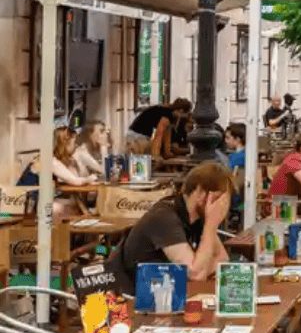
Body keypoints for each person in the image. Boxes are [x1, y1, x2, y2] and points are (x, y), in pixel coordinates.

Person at [112, 161, 232, 296]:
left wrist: (201, 268)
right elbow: (196, 274)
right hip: (133, 300)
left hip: (164, 294)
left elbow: (222, 260)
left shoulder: (196, 217)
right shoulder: (164, 217)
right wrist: (211, 225)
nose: (222, 207)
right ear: (199, 193)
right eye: (218, 199)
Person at [18, 127, 98, 218]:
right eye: (74, 142)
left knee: (68, 205)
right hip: (27, 206)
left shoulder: (45, 157)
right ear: (65, 142)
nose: (76, 146)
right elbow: (75, 181)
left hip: (25, 202)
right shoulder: (50, 160)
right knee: (61, 207)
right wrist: (92, 178)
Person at [126, 99, 192, 159]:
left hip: (135, 135)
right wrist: (156, 156)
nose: (186, 116)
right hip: (138, 136)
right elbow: (159, 136)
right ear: (181, 110)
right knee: (143, 164)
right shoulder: (166, 115)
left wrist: (168, 153)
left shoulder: (168, 114)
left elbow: (166, 136)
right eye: (187, 113)